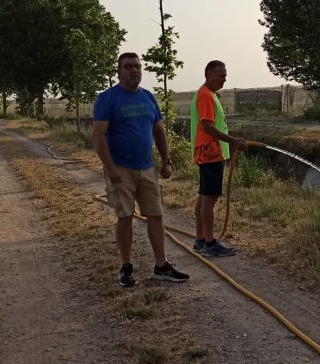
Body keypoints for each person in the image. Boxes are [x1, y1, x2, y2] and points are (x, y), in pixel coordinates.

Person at [93, 52, 189, 287]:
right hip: (120, 168)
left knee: (156, 216)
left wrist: (166, 160)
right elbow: (99, 136)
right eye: (128, 67)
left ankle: (161, 266)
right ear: (119, 71)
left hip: (147, 168)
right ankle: (126, 267)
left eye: (137, 66)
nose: (134, 70)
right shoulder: (107, 99)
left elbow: (158, 131)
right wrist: (110, 168)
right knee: (125, 217)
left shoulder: (148, 97)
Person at [190, 60, 248, 257]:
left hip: (208, 152)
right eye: (221, 75)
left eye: (225, 75)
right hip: (210, 153)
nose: (225, 79)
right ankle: (209, 243)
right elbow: (207, 126)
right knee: (210, 199)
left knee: (204, 196)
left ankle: (200, 240)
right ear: (209, 75)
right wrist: (232, 140)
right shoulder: (206, 95)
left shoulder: (209, 94)